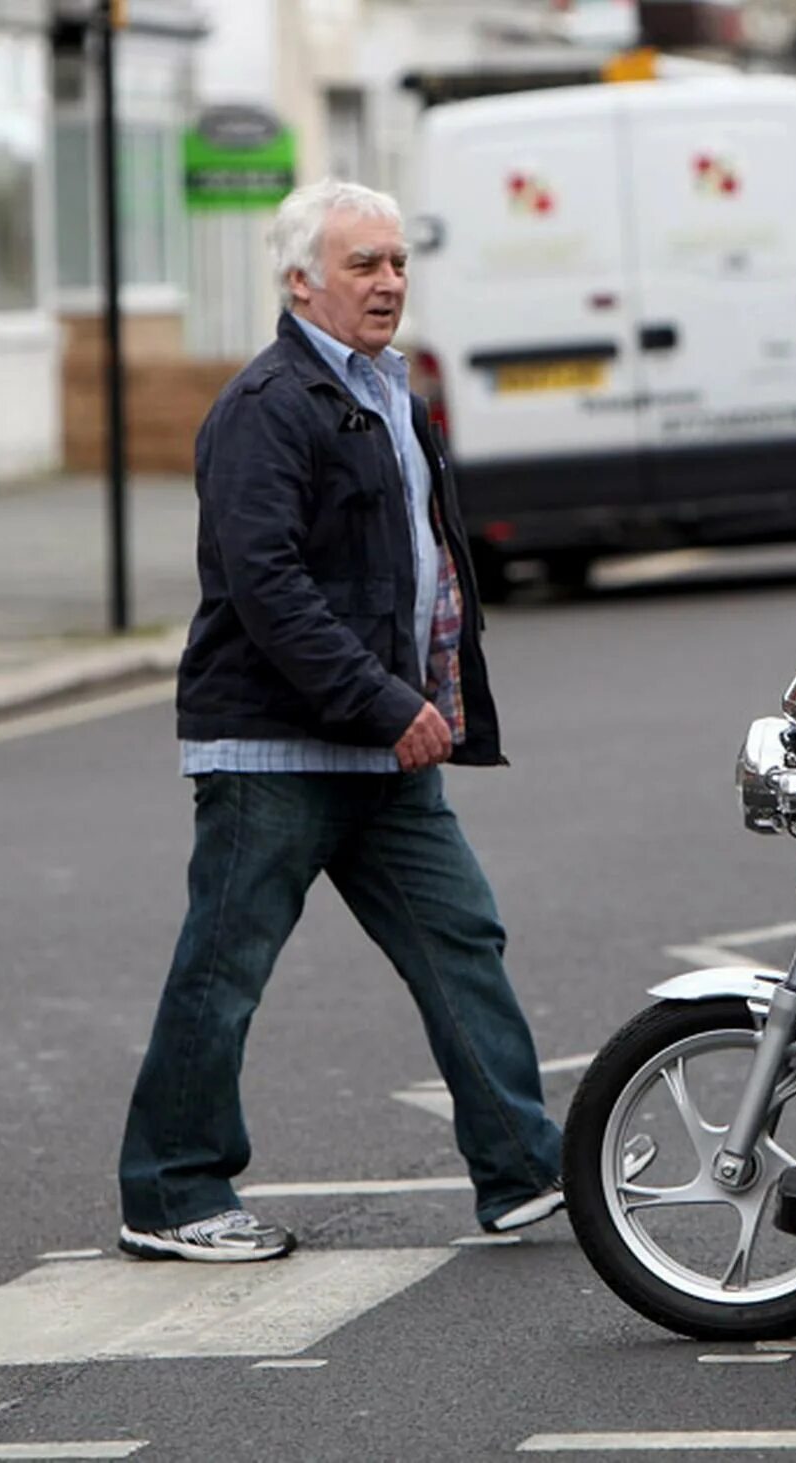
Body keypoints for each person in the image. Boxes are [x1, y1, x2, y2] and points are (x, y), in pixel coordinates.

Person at [116, 180, 566, 1262]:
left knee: (461, 939)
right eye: (364, 264)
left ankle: (524, 1168)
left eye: (399, 262)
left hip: (383, 743)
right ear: (300, 281)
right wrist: (386, 699)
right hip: (275, 746)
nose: (389, 282)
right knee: (224, 968)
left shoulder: (389, 396)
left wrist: (424, 698)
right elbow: (266, 587)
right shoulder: (268, 405)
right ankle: (172, 1191)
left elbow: (422, 568)